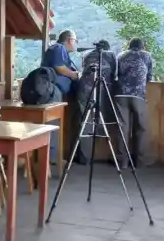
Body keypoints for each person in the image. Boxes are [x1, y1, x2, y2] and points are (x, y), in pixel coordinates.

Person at [42, 29, 81, 164]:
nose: (76, 44)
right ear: (70, 40)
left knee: (54, 124)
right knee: (51, 125)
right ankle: (50, 159)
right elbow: (60, 68)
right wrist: (76, 75)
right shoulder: (58, 48)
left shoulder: (58, 50)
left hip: (55, 91)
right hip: (53, 91)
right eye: (75, 41)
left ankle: (52, 157)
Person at [115, 38, 154, 169]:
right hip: (138, 95)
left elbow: (116, 74)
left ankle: (122, 162)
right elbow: (149, 77)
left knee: (122, 128)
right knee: (141, 128)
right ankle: (140, 162)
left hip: (120, 94)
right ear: (142, 46)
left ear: (129, 46)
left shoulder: (120, 55)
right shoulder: (146, 55)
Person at [76, 40, 117, 164]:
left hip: (83, 89)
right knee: (101, 121)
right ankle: (102, 155)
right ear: (107, 48)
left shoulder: (86, 54)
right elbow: (114, 74)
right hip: (102, 90)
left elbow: (83, 70)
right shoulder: (111, 55)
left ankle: (84, 158)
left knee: (85, 122)